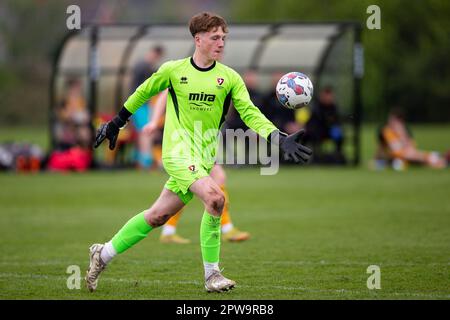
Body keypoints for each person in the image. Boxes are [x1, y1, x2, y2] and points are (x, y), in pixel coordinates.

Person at [88, 12, 312, 293]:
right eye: (215, 37)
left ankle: (103, 253)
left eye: (223, 38)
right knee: (215, 198)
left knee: (157, 216)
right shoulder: (174, 70)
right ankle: (212, 275)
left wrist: (277, 137)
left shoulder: (229, 78)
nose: (221, 43)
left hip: (202, 159)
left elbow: (251, 113)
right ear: (198, 39)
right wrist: (116, 123)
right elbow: (143, 92)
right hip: (177, 154)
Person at [142, 90, 251, 244]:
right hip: (185, 141)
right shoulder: (186, 70)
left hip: (200, 141)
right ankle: (226, 229)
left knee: (186, 187)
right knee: (210, 179)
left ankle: (169, 231)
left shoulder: (216, 75)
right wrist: (154, 120)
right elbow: (164, 95)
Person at [374, 108, 446, 170]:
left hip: (407, 156)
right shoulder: (385, 131)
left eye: (393, 119)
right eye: (390, 119)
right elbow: (381, 147)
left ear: (400, 121)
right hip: (396, 158)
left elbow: (411, 148)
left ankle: (437, 159)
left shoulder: (404, 130)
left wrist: (402, 134)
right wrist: (377, 159)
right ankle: (436, 159)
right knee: (399, 163)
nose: (391, 121)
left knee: (411, 158)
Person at [130, 45, 165, 169]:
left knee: (143, 132)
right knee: (146, 132)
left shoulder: (143, 65)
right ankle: (146, 160)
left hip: (142, 105)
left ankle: (142, 159)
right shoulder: (144, 67)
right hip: (140, 105)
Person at [304, 86, 345, 164]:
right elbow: (311, 122)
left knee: (338, 133)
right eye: (326, 95)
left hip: (329, 131)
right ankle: (316, 157)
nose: (328, 98)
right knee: (313, 134)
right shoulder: (316, 107)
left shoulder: (333, 107)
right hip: (317, 132)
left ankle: (338, 156)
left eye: (330, 95)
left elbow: (336, 121)